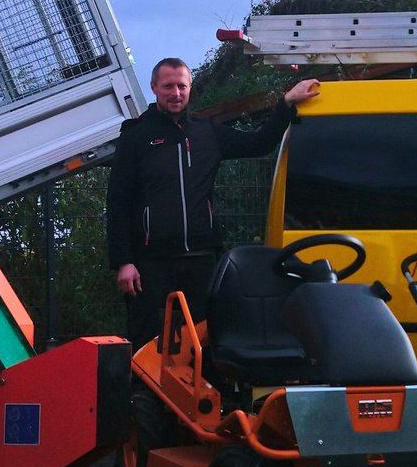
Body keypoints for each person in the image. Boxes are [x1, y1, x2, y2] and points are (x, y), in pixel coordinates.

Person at [107, 57, 321, 345]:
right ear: (154, 87)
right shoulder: (135, 136)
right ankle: (141, 392)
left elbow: (259, 143)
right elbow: (118, 201)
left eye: (181, 86)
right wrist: (124, 262)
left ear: (190, 88)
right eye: (168, 86)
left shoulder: (207, 132)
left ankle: (207, 391)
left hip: (201, 259)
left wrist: (286, 104)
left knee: (205, 341)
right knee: (149, 342)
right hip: (150, 263)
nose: (176, 93)